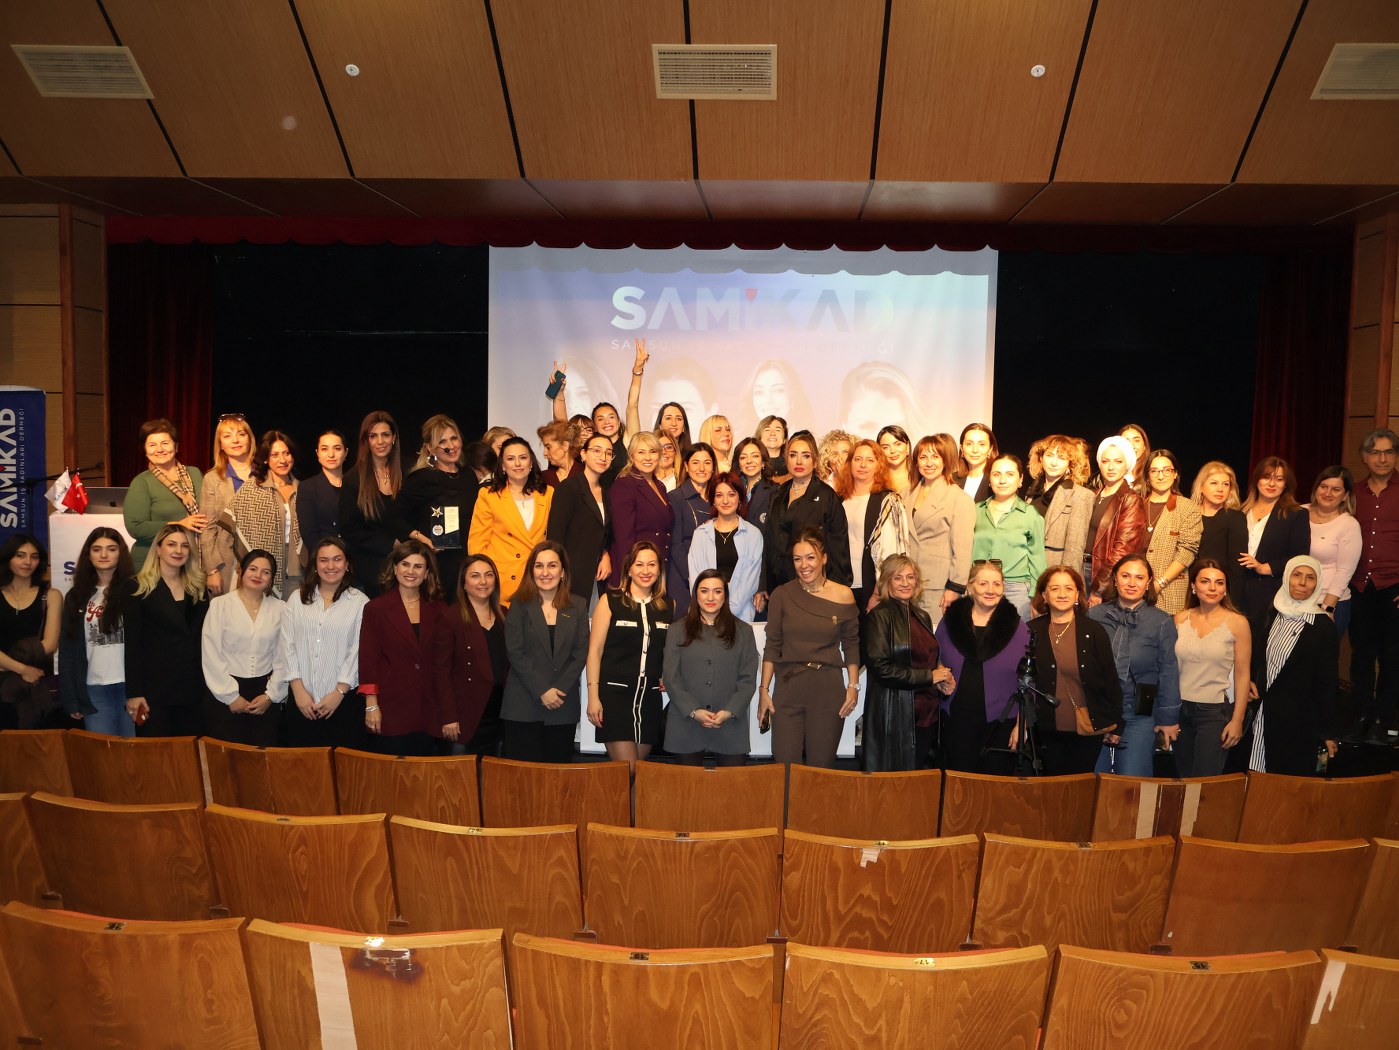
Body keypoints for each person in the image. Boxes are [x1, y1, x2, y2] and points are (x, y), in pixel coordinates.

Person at [758, 528, 860, 768]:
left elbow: (852, 644)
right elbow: (772, 646)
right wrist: (763, 690)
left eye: (810, 557)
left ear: (824, 558)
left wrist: (853, 686)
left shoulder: (843, 595)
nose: (804, 565)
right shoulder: (782, 595)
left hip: (827, 689)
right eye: (797, 559)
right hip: (788, 687)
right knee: (785, 767)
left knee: (820, 770)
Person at [1088, 554, 1181, 777]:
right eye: (1125, 576)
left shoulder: (1161, 621)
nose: (1132, 583)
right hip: (1098, 711)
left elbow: (1169, 671)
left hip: (1138, 712)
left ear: (1148, 583)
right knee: (1094, 778)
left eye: (1139, 578)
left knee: (1132, 780)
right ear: (1115, 579)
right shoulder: (1095, 615)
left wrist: (1168, 719)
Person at [862, 555, 956, 771]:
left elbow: (928, 659)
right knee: (898, 784)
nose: (905, 583)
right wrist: (929, 677)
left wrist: (941, 678)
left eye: (910, 577)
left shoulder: (921, 615)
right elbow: (880, 668)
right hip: (897, 716)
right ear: (887, 582)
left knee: (923, 781)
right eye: (898, 578)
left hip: (927, 713)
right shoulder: (879, 616)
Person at [1024, 566, 1121, 775]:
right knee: (1050, 788)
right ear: (1044, 595)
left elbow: (1110, 681)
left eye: (1068, 588)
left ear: (1077, 595)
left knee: (1080, 788)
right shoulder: (1030, 631)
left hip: (1087, 730)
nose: (1062, 594)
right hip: (1044, 730)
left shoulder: (1093, 631)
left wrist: (1117, 724)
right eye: (1055, 588)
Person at [934, 560, 1028, 774]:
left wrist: (1022, 723)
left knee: (993, 787)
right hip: (957, 719)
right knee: (958, 783)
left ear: (1003, 588)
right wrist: (940, 679)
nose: (990, 590)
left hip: (1001, 723)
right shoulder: (950, 622)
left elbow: (1028, 681)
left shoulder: (1018, 628)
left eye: (997, 584)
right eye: (983, 583)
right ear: (970, 587)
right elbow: (935, 659)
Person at [1248, 555, 1340, 773]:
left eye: (1310, 578)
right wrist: (1249, 681)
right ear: (1287, 577)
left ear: (1317, 584)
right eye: (1296, 575)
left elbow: (1327, 683)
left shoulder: (1323, 627)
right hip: (1259, 716)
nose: (1302, 583)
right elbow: (1255, 657)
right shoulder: (1270, 613)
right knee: (1253, 779)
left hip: (1297, 724)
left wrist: (1328, 732)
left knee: (1283, 785)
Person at [585, 542, 673, 767]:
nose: (646, 571)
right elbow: (594, 652)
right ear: (629, 569)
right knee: (628, 768)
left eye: (651, 564)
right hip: (615, 698)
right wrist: (593, 697)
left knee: (637, 774)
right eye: (639, 564)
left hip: (649, 700)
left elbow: (670, 649)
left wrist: (666, 672)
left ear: (659, 570)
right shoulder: (609, 601)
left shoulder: (668, 606)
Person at [501, 541, 589, 762]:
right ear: (531, 571)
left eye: (552, 565)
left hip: (562, 704)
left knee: (557, 777)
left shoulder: (578, 605)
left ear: (563, 572)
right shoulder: (519, 604)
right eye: (539, 566)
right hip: (522, 705)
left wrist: (557, 690)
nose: (545, 572)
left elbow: (580, 654)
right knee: (522, 778)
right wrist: (542, 690)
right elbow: (515, 652)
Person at [279, 536, 370, 749]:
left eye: (337, 559)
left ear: (347, 564)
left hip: (343, 703)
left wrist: (339, 693)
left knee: (342, 766)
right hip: (302, 703)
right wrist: (298, 691)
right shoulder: (297, 599)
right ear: (315, 565)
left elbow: (358, 652)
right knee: (303, 765)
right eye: (324, 560)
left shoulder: (361, 603)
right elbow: (287, 644)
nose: (330, 566)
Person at [663, 570, 760, 767]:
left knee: (733, 786)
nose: (710, 597)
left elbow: (748, 679)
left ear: (725, 595)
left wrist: (729, 711)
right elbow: (671, 678)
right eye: (704, 590)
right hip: (686, 725)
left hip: (730, 726)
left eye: (717, 591)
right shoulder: (676, 630)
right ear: (695, 594)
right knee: (686, 786)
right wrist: (693, 711)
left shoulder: (743, 631)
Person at [358, 540, 446, 756]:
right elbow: (369, 661)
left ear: (427, 573)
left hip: (430, 708)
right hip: (391, 708)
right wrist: (371, 705)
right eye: (405, 564)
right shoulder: (375, 609)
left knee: (425, 771)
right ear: (395, 568)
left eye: (418, 566)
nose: (411, 571)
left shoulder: (439, 609)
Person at [122, 525, 210, 737]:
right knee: (156, 754)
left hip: (192, 688)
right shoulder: (137, 587)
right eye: (171, 544)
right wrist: (135, 693)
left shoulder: (198, 587)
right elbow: (133, 645)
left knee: (189, 753)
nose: (178, 550)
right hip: (153, 691)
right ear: (158, 549)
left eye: (184, 546)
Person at [1344, 428, 1399, 747]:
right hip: (1359, 585)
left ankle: (1382, 720)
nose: (1382, 458)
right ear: (1365, 457)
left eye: (1389, 452)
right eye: (1376, 452)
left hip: (1394, 587)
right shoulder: (1353, 494)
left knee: (1393, 658)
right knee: (1361, 657)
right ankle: (1361, 717)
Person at [1172, 559, 1251, 778]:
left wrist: (1237, 720)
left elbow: (1243, 674)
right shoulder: (1179, 619)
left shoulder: (1238, 623)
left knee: (1205, 783)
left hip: (1214, 713)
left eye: (1219, 582)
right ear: (1193, 586)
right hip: (1179, 711)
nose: (1212, 588)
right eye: (1205, 581)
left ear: (1226, 589)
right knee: (1182, 779)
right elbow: (1168, 669)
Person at [200, 549, 286, 746]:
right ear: (241, 570)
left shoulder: (280, 608)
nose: (258, 575)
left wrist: (271, 696)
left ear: (271, 579)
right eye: (253, 569)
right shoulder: (220, 605)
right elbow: (211, 654)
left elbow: (283, 656)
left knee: (262, 755)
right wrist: (231, 696)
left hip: (264, 693)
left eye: (266, 572)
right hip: (224, 691)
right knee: (226, 757)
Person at [759, 431, 853, 610]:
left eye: (806, 456)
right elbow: (768, 542)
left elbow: (838, 549)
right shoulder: (777, 494)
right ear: (786, 460)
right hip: (779, 589)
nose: (799, 461)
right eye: (793, 455)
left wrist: (836, 595)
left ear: (815, 461)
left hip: (816, 591)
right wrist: (763, 584)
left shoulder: (827, 497)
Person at [59, 528, 136, 736]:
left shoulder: (136, 591)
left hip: (131, 687)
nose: (103, 555)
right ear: (88, 554)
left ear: (121, 553)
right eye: (96, 549)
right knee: (102, 751)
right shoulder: (76, 596)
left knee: (133, 750)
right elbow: (67, 649)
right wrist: (71, 698)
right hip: (93, 688)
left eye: (111, 549)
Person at [431, 554, 508, 757]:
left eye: (488, 575)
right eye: (475, 576)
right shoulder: (450, 618)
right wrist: (448, 716)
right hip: (465, 716)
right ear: (464, 584)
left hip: (499, 716)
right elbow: (441, 672)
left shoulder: (505, 614)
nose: (483, 581)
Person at [468, 435, 553, 605]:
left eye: (523, 458)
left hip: (539, 579)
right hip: (504, 584)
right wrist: (485, 579)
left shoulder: (548, 494)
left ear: (531, 463)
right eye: (511, 459)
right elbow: (477, 546)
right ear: (503, 466)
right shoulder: (489, 496)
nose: (517, 464)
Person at [400, 414, 478, 599]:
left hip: (467, 564)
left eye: (454, 438)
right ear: (429, 447)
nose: (451, 446)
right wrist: (423, 540)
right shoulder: (421, 479)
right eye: (442, 441)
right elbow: (393, 518)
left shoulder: (468, 475)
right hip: (436, 566)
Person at [905, 433, 975, 628]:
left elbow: (962, 550)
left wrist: (955, 588)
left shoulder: (959, 499)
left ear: (945, 461)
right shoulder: (905, 493)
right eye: (923, 457)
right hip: (905, 584)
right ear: (916, 461)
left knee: (933, 639)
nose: (929, 463)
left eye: (935, 456)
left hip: (938, 587)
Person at [228, 430, 305, 599]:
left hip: (296, 569)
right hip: (261, 571)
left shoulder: (304, 489)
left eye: (286, 453)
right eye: (275, 455)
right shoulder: (252, 488)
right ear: (265, 459)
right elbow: (229, 526)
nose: (282, 460)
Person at [339, 410, 408, 598]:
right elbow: (349, 529)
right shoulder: (353, 480)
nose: (380, 441)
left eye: (385, 435)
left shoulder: (408, 473)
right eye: (373, 436)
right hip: (370, 571)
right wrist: (391, 543)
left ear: (394, 438)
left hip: (407, 567)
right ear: (366, 441)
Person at [836, 438, 909, 613]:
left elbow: (895, 554)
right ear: (850, 463)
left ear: (879, 465)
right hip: (841, 586)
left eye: (870, 460)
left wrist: (878, 594)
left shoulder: (888, 501)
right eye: (858, 459)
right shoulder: (838, 500)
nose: (863, 465)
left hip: (873, 588)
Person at [971, 454, 1045, 621]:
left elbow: (1038, 559)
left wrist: (1036, 596)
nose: (1002, 480)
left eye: (1010, 474)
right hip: (978, 587)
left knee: (1014, 637)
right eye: (996, 474)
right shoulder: (975, 511)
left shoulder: (1030, 515)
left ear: (1020, 480)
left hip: (1015, 590)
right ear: (989, 479)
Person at [124, 418, 206, 570]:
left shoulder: (195, 473)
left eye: (165, 443)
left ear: (176, 446)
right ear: (145, 450)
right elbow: (135, 527)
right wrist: (179, 525)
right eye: (152, 445)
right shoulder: (142, 482)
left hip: (192, 560)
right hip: (152, 563)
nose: (159, 449)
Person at [1238, 456, 1311, 621]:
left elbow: (1300, 557)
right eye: (1266, 477)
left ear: (1286, 484)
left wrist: (1265, 567)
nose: (1272, 484)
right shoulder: (1240, 511)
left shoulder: (1296, 514)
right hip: (1237, 589)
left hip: (1271, 592)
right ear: (1256, 480)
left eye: (1279, 479)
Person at [0, 535, 62, 729]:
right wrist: (21, 669)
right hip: (5, 683)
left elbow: (50, 644)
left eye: (34, 556)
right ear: (8, 558)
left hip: (38, 684)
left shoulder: (51, 595)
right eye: (20, 555)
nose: (28, 562)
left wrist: (7, 665)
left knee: (38, 743)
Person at [546, 433, 615, 602]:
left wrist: (605, 554)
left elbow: (603, 532)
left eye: (608, 453)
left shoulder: (607, 492)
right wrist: (558, 572)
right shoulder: (568, 488)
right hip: (571, 575)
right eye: (597, 450)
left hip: (596, 575)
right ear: (583, 454)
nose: (603, 457)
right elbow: (555, 537)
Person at [688, 472, 764, 621]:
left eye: (731, 494)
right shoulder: (700, 535)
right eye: (719, 495)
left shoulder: (753, 535)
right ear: (713, 500)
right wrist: (710, 610)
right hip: (705, 616)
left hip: (740, 616)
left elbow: (750, 582)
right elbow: (696, 580)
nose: (725, 501)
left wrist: (728, 611)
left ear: (740, 498)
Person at [604, 431, 672, 590]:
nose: (648, 457)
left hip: (655, 569)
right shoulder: (625, 484)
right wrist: (627, 576)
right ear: (631, 455)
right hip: (635, 572)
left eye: (652, 451)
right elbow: (623, 537)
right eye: (641, 452)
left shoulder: (659, 486)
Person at [198, 413, 256, 596]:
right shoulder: (212, 479)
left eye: (241, 434)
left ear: (250, 439)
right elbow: (206, 528)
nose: (235, 440)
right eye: (227, 436)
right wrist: (212, 569)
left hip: (260, 561)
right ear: (220, 444)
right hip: (225, 565)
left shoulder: (265, 475)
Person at [1141, 450, 1204, 615]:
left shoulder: (1187, 508)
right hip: (1134, 588)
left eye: (1166, 470)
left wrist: (1158, 584)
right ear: (1147, 476)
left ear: (1175, 474)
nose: (1160, 476)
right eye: (1154, 471)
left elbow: (1187, 551)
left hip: (1169, 590)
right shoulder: (1136, 505)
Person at [1026, 434, 1093, 580]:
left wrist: (1067, 581)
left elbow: (1075, 548)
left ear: (1070, 464)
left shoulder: (1081, 495)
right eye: (1049, 455)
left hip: (1056, 574)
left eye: (1061, 458)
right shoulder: (1032, 493)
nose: (1054, 462)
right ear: (1041, 458)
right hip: (1027, 572)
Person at [1305, 465, 1362, 637]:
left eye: (1336, 489)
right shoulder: (1299, 513)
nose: (1328, 493)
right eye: (1323, 486)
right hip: (1294, 600)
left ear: (1345, 495)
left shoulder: (1348, 525)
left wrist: (1327, 608)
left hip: (1328, 603)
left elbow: (1345, 571)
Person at [1088, 436, 1146, 603]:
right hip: (1081, 570)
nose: (1111, 467)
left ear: (1127, 464)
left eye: (1118, 461)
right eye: (1105, 461)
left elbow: (1123, 550)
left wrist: (1099, 588)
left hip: (1102, 577)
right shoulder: (1092, 495)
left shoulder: (1130, 499)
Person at [667, 442, 716, 615]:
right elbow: (675, 543)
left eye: (707, 463)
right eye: (696, 462)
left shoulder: (719, 498)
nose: (702, 468)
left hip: (712, 573)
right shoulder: (676, 497)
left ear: (713, 467)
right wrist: (691, 575)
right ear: (686, 466)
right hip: (683, 575)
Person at [1191, 460, 1248, 603]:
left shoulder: (1235, 518)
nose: (1220, 489)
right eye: (1214, 483)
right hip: (1187, 590)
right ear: (1201, 486)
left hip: (1219, 594)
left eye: (1226, 484)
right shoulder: (1188, 514)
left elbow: (1237, 566)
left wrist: (1231, 601)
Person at [592, 345, 647, 484]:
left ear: (618, 420)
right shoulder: (591, 450)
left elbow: (632, 405)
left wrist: (637, 370)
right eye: (600, 419)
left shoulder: (627, 441)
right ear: (594, 426)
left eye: (611, 417)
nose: (607, 422)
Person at [296, 429, 348, 554]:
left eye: (337, 448)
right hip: (322, 557)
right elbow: (308, 533)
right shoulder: (307, 487)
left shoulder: (355, 484)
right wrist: (327, 556)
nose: (331, 454)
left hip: (353, 557)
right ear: (317, 453)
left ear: (346, 452)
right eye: (324, 449)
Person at [735, 437, 777, 528]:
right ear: (739, 464)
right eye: (743, 457)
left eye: (755, 456)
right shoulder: (732, 488)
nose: (749, 461)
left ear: (763, 462)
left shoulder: (774, 491)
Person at [956, 423, 997, 503]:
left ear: (990, 449)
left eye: (981, 444)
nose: (975, 450)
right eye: (969, 444)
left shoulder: (997, 480)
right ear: (961, 449)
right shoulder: (951, 480)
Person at [876, 425, 914, 497]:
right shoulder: (874, 479)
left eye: (898, 444)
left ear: (907, 446)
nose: (892, 451)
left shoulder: (921, 478)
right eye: (885, 447)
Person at [537, 420, 578, 487]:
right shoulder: (543, 477)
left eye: (548, 447)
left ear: (565, 446)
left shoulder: (585, 474)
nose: (545, 453)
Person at [756, 414, 789, 479]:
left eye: (778, 430)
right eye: (767, 430)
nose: (772, 433)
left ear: (784, 440)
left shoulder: (791, 466)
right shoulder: (752, 464)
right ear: (759, 438)